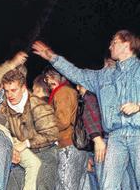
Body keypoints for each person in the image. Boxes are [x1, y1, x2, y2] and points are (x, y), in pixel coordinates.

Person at [32, 30, 140, 189]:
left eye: (114, 42)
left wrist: (138, 106)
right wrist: (51, 57)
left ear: (126, 44)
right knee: (108, 185)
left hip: (138, 134)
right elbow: (76, 73)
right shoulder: (104, 76)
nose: (110, 46)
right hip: (115, 137)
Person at [0, 69, 59, 190]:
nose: (9, 95)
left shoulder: (38, 105)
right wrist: (11, 149)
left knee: (41, 185)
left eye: (13, 90)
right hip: (21, 155)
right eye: (6, 91)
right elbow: (1, 133)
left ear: (23, 88)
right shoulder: (3, 109)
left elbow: (52, 133)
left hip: (45, 153)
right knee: (11, 186)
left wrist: (26, 143)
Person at [43, 67, 86, 189]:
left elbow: (63, 121)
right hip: (74, 144)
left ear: (63, 77)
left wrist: (45, 128)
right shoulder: (69, 91)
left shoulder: (62, 92)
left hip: (67, 145)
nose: (49, 80)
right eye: (46, 77)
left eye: (53, 76)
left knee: (65, 184)